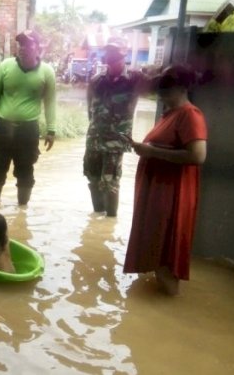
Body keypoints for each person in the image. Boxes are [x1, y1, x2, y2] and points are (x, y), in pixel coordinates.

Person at [123, 64, 208, 295]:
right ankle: (160, 312)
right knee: (156, 245)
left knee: (166, 253)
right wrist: (145, 148)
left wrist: (151, 152)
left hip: (173, 194)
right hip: (159, 192)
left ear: (182, 88)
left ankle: (168, 310)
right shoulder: (170, 113)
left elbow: (198, 155)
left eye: (166, 87)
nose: (160, 92)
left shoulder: (190, 115)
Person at [0, 29, 56, 206]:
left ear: (38, 47)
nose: (23, 47)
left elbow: (50, 103)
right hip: (2, 128)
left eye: (28, 43)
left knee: (25, 171)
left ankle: (22, 211)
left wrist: (51, 130)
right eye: (21, 43)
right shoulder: (6, 65)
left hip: (28, 131)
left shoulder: (47, 72)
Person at [83, 36, 155, 217]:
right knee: (92, 178)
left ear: (124, 54)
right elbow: (90, 109)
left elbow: (158, 85)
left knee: (111, 182)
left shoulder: (134, 79)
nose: (110, 56)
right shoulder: (96, 80)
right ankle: (97, 217)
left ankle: (110, 220)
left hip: (116, 141)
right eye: (108, 52)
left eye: (115, 53)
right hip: (94, 138)